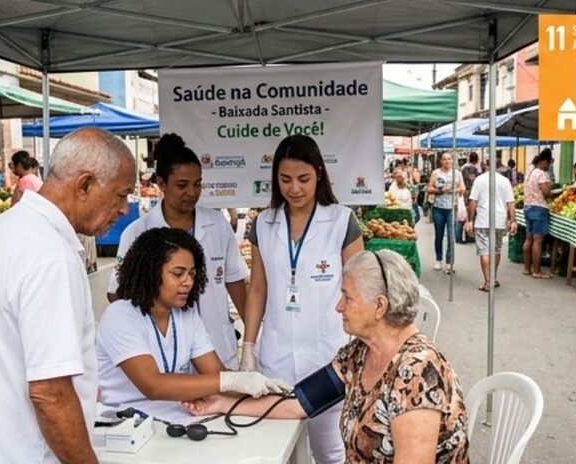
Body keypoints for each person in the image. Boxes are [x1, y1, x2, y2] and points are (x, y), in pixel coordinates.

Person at [0, 128, 137, 464]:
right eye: (121, 195)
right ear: (85, 185)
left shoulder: (3, 228)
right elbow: (50, 393)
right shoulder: (50, 256)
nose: (126, 209)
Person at [185, 250, 470, 463]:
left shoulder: (418, 373)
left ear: (379, 306)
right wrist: (222, 403)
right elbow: (300, 403)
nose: (338, 306)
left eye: (347, 297)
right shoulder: (359, 353)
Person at [240, 134, 364, 464]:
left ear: (319, 174)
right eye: (285, 179)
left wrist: (364, 349)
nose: (294, 188)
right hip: (276, 357)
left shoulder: (341, 221)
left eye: (303, 179)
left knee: (331, 453)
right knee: (277, 449)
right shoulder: (263, 224)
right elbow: (257, 289)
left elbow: (360, 289)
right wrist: (248, 347)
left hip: (329, 357)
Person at [98, 227, 290, 406]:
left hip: (171, 418)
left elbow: (215, 374)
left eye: (192, 274)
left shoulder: (185, 315)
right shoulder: (121, 316)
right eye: (178, 274)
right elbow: (153, 386)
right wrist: (233, 380)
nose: (188, 282)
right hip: (123, 425)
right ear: (149, 272)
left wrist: (262, 386)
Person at [107, 133, 248, 370]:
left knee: (225, 398)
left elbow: (235, 283)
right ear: (161, 184)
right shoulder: (137, 232)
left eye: (197, 184)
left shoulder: (217, 224)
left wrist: (253, 340)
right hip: (163, 354)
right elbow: (117, 294)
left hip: (217, 347)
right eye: (182, 185)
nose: (192, 192)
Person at [465, 160, 517, 291]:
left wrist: (470, 220)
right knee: (496, 249)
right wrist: (513, 220)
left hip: (483, 220)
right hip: (500, 220)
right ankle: (493, 278)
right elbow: (510, 202)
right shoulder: (505, 181)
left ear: (485, 166)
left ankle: (488, 282)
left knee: (485, 251)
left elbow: (473, 201)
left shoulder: (479, 180)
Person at [426, 152, 465, 273]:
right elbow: (429, 188)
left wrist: (453, 190)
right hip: (438, 208)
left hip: (451, 208)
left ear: (452, 161)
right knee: (439, 235)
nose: (447, 161)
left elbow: (462, 188)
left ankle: (450, 262)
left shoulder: (457, 173)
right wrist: (440, 190)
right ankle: (438, 259)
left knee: (451, 235)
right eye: (445, 159)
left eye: (449, 159)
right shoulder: (436, 173)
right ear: (441, 161)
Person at [522, 149, 555, 279]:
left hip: (528, 206)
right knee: (538, 240)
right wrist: (555, 191)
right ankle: (537, 270)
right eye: (549, 163)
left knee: (529, 238)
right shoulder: (542, 174)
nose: (549, 167)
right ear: (544, 161)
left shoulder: (531, 172)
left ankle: (526, 268)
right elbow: (546, 192)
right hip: (539, 208)